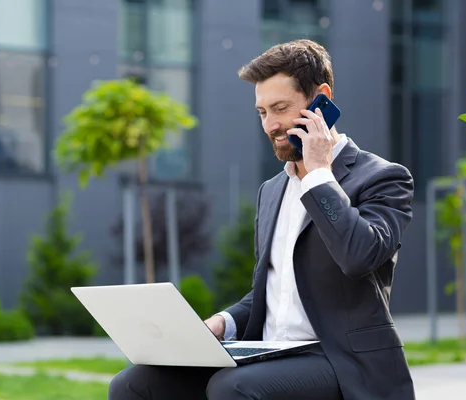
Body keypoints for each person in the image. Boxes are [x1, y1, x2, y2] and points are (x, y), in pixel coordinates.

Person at [109, 39, 416, 400]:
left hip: (340, 359)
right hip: (269, 352)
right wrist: (223, 323)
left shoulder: (383, 178)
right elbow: (274, 290)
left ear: (322, 98)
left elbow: (358, 257)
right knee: (133, 384)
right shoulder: (272, 190)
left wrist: (318, 175)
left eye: (280, 108)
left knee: (233, 388)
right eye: (262, 112)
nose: (270, 125)